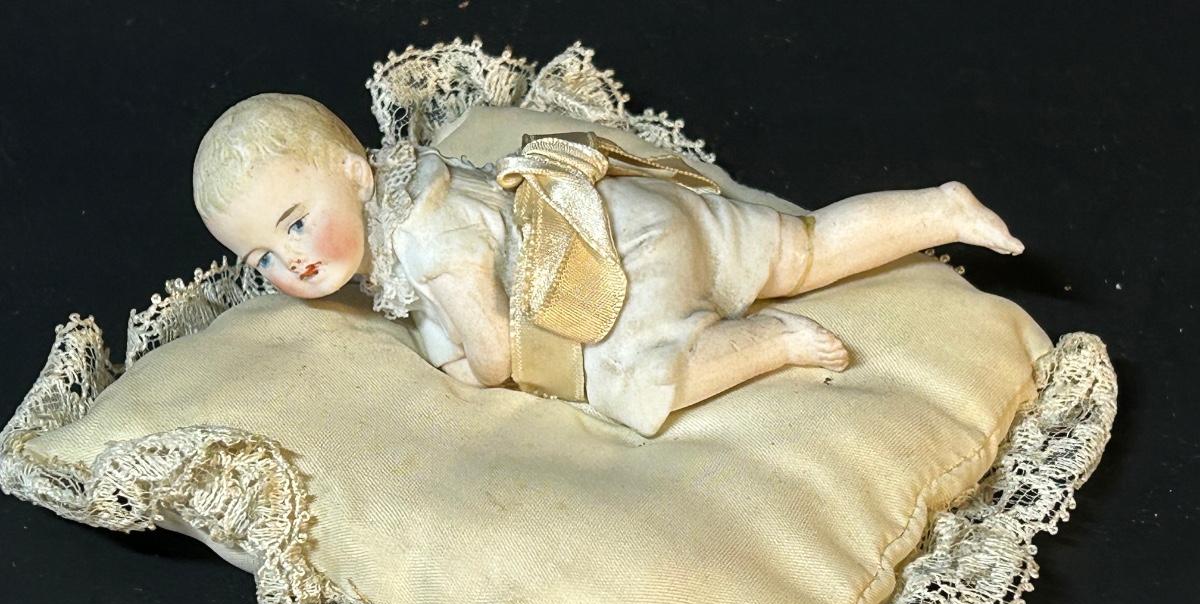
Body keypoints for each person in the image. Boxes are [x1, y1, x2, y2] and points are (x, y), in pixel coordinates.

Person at [195, 93, 1023, 436]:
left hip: (617, 264)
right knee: (800, 246)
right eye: (262, 256)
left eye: (295, 223)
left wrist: (458, 369)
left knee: (639, 382)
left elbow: (495, 353)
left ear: (354, 173)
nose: (292, 261)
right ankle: (937, 209)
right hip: (629, 213)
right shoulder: (415, 184)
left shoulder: (423, 242)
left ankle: (769, 341)